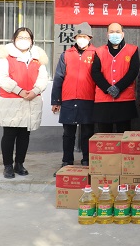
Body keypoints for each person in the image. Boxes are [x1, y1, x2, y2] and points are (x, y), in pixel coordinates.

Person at [0, 27, 49, 179]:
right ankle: (7, 166)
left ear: (32, 41)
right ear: (14, 39)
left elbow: (43, 78)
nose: (24, 40)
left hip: (31, 100)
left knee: (25, 134)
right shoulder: (5, 56)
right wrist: (19, 91)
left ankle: (19, 164)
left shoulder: (38, 57)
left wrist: (35, 91)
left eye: (27, 38)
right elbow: (1, 77)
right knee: (9, 134)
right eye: (20, 37)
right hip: (11, 100)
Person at [51, 22, 96, 172]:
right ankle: (67, 160)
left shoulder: (96, 54)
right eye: (79, 36)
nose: (82, 39)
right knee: (68, 133)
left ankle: (87, 160)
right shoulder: (66, 55)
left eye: (85, 36)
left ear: (90, 38)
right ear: (75, 37)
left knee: (87, 132)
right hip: (68, 99)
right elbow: (58, 77)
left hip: (88, 98)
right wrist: (56, 100)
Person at [91, 22, 139, 133]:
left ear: (123, 34)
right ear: (107, 34)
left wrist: (118, 87)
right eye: (112, 32)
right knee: (104, 135)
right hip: (104, 100)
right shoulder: (99, 51)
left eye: (117, 32)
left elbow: (133, 71)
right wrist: (107, 88)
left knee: (123, 134)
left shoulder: (132, 50)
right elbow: (95, 72)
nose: (115, 34)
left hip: (124, 99)